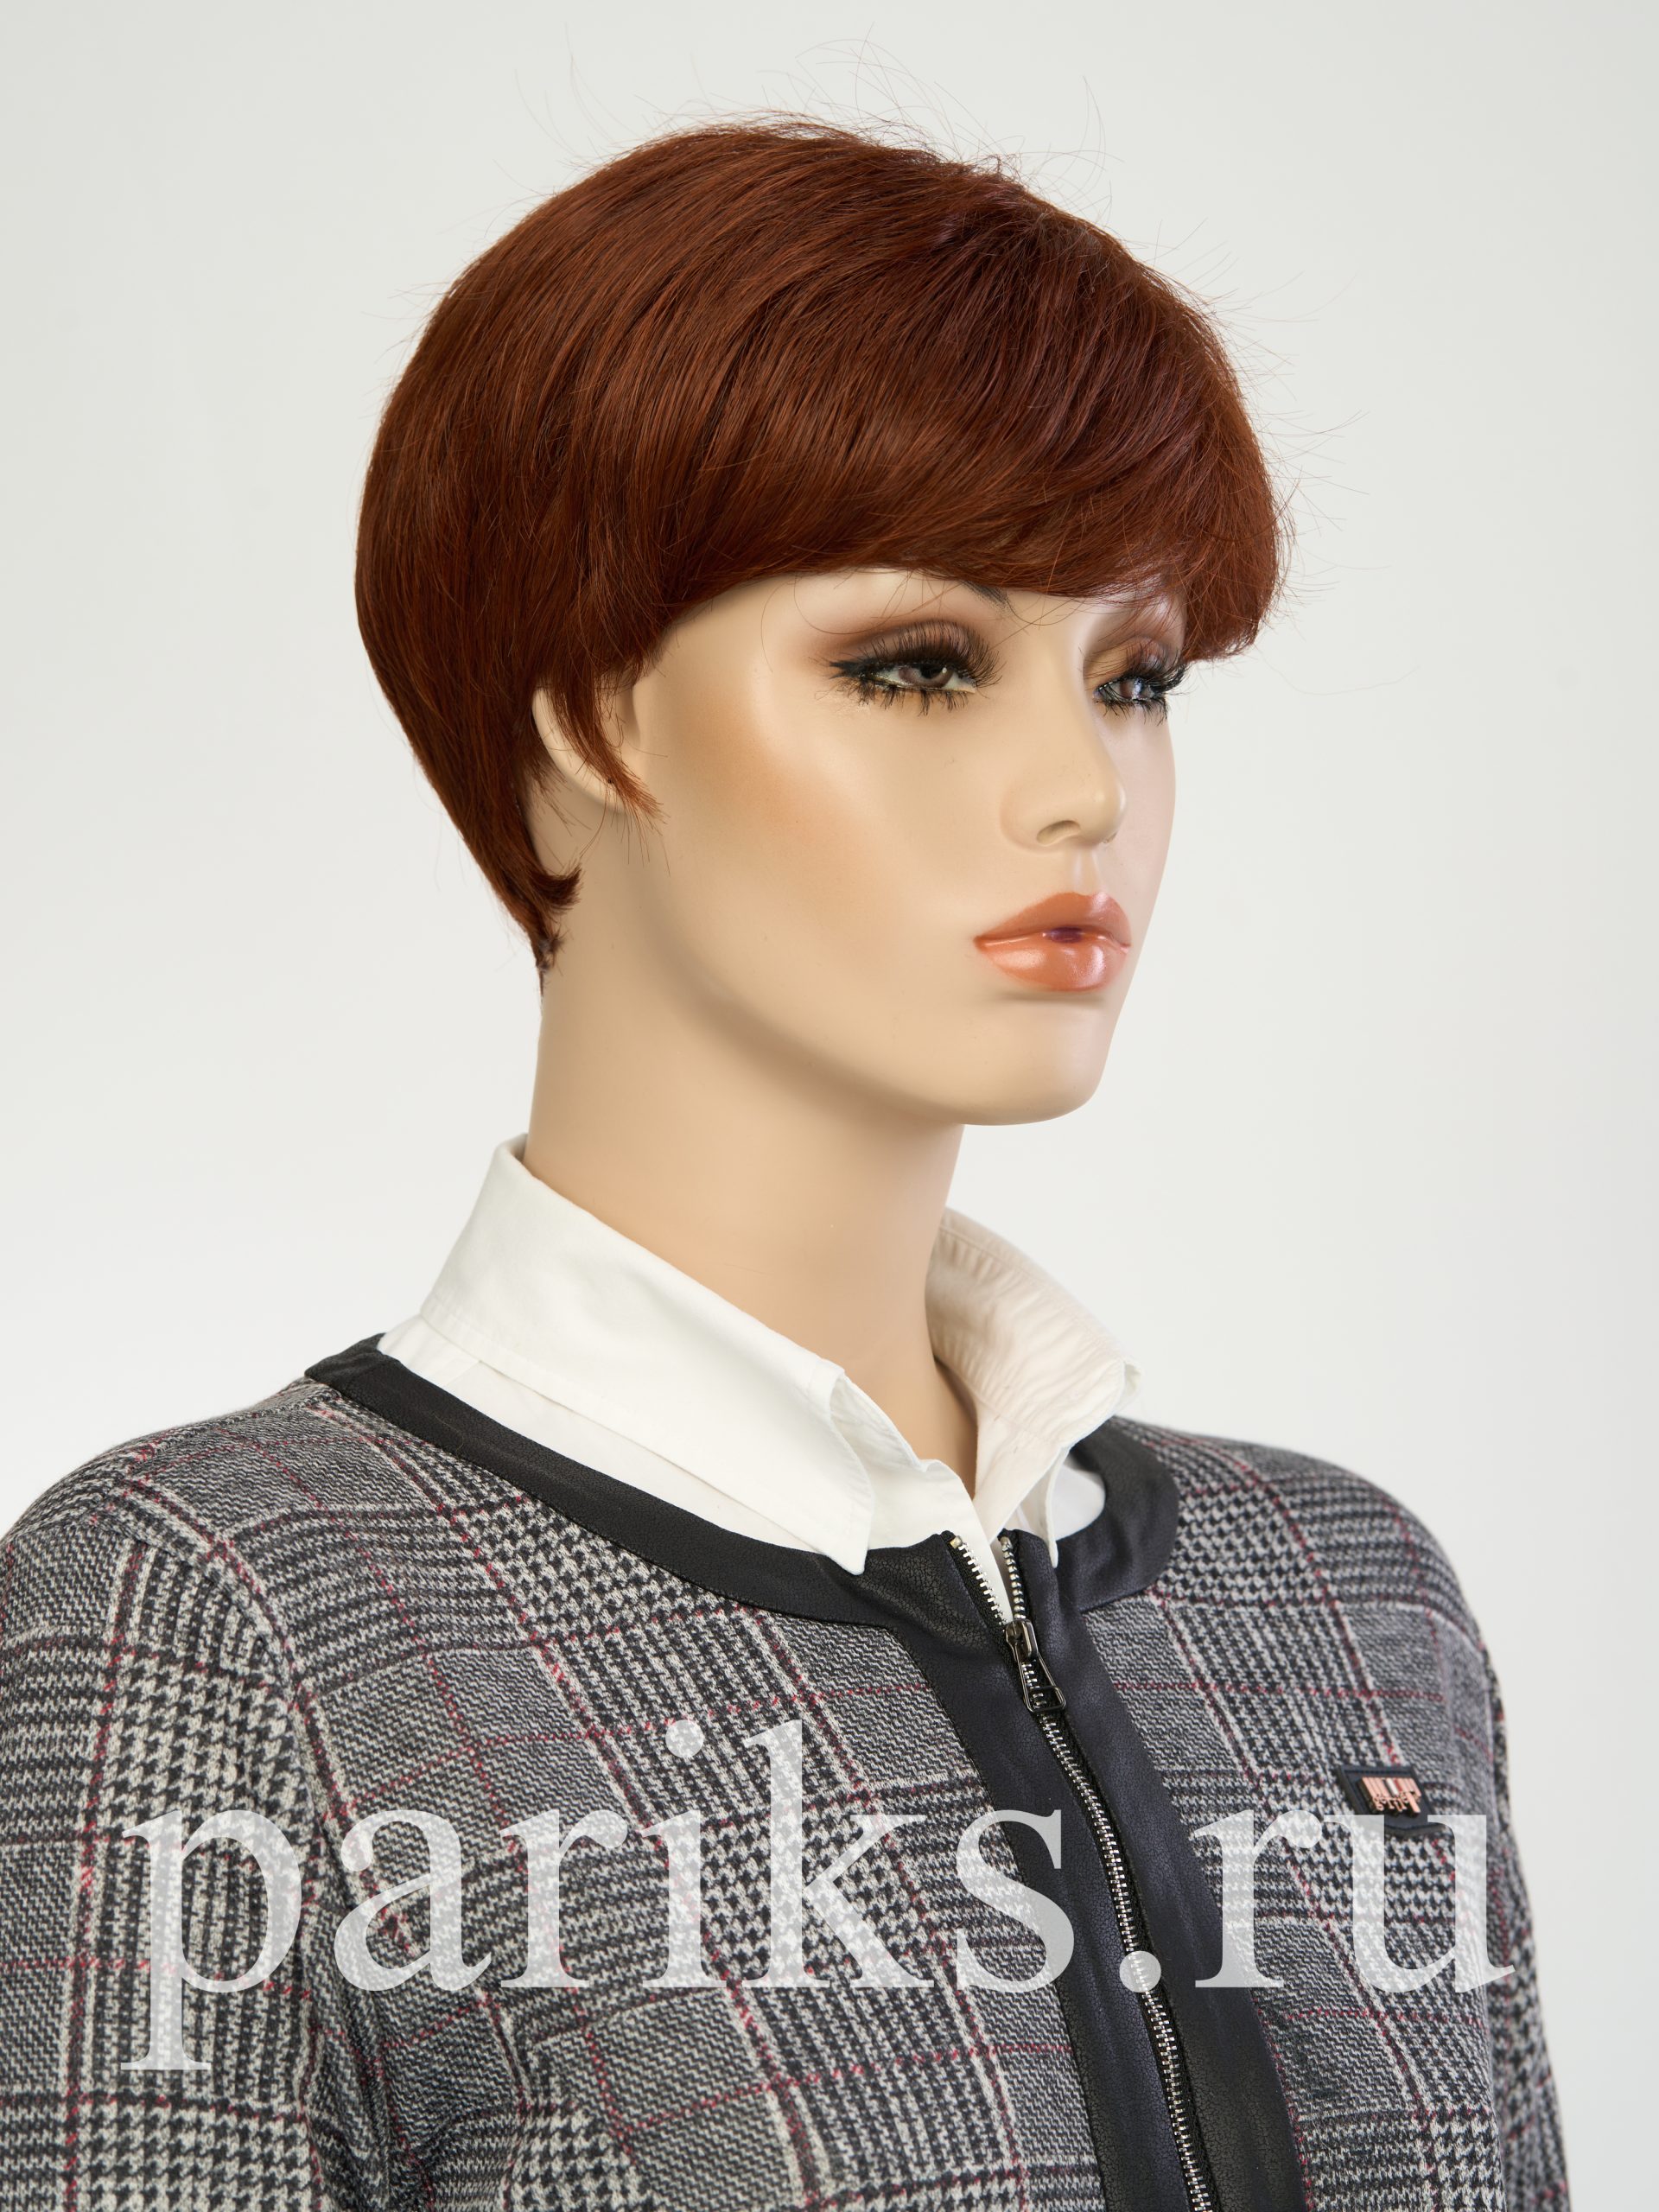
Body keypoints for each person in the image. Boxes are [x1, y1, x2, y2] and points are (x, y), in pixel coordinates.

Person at [0, 118, 1567, 2209]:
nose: (1079, 789)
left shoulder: (1347, 1599)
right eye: (916, 664)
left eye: (1136, 676)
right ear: (589, 726)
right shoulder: (222, 1611)